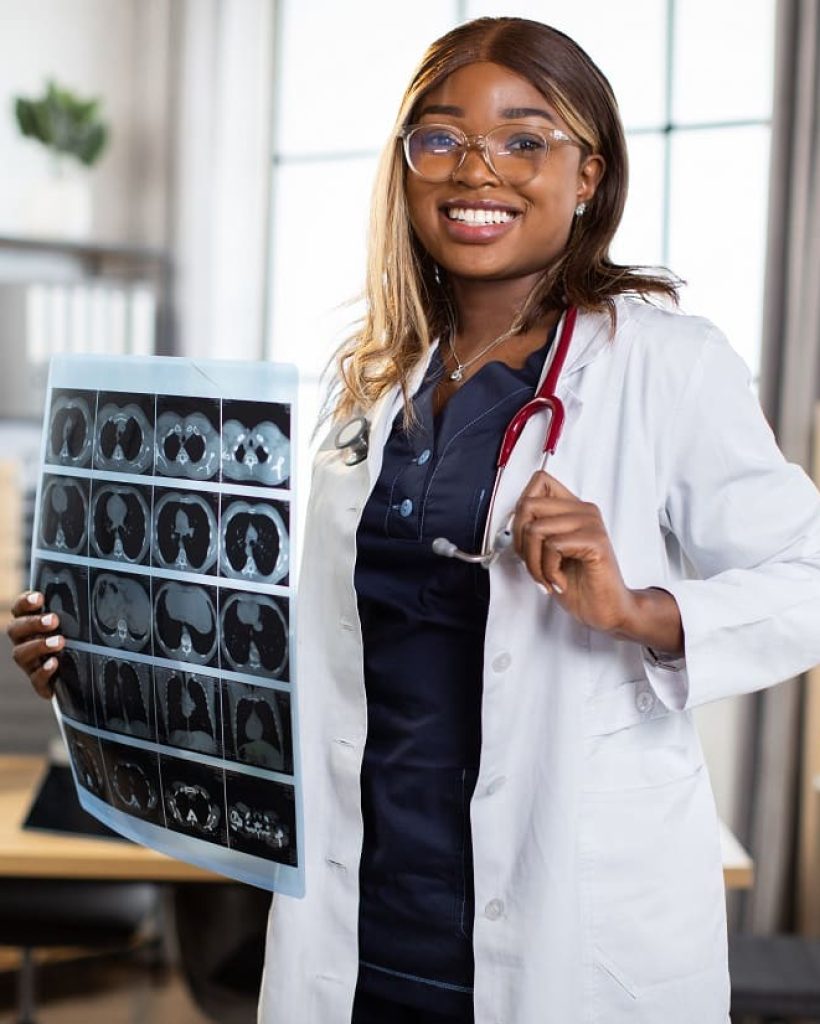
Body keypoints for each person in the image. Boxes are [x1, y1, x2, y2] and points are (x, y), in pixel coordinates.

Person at [8, 15, 820, 1024]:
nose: (477, 170)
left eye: (526, 140)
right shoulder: (369, 381)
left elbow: (806, 580)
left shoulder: (665, 363)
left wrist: (638, 609)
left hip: (571, 932)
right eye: (440, 138)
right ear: (405, 167)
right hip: (363, 930)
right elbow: (320, 645)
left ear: (589, 177)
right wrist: (108, 650)